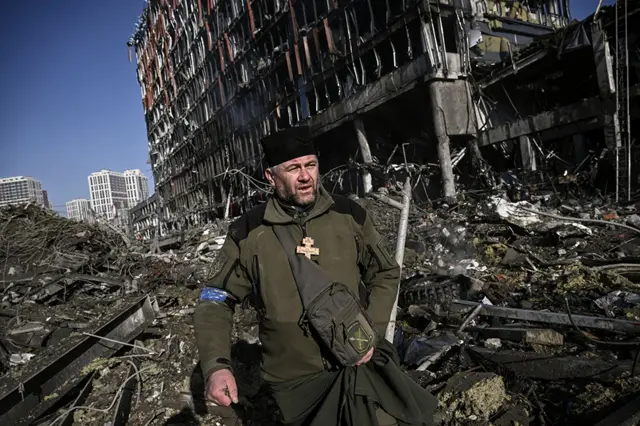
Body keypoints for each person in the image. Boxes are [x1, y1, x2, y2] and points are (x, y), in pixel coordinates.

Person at [194, 126, 436, 426]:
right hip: (295, 385)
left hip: (358, 363)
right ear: (271, 177)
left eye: (310, 165)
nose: (306, 176)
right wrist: (217, 366)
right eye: (293, 168)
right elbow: (215, 300)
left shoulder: (350, 215)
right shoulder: (248, 232)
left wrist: (367, 333)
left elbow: (385, 272)